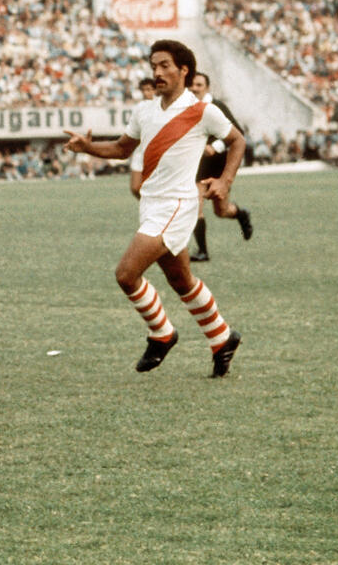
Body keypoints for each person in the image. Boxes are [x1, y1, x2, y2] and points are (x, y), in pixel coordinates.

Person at [65, 40, 245, 377]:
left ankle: (162, 334)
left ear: (183, 70)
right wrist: (88, 147)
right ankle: (222, 338)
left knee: (126, 274)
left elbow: (237, 140)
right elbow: (122, 149)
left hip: (177, 205)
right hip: (151, 204)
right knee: (181, 280)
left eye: (164, 66)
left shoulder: (202, 111)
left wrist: (226, 181)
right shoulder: (144, 111)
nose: (157, 72)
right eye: (153, 66)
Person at [189, 72, 253, 262]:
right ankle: (202, 251)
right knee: (194, 206)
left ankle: (241, 214)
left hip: (218, 164)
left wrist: (214, 147)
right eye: (192, 85)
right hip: (198, 165)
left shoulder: (216, 106)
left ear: (207, 88)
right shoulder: (187, 107)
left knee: (222, 211)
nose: (194, 88)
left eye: (199, 85)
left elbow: (238, 133)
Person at [128, 77, 156, 199]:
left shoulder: (161, 105)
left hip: (155, 151)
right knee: (135, 187)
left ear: (155, 90)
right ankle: (150, 205)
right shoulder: (139, 107)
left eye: (149, 90)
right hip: (140, 151)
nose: (146, 93)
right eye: (143, 90)